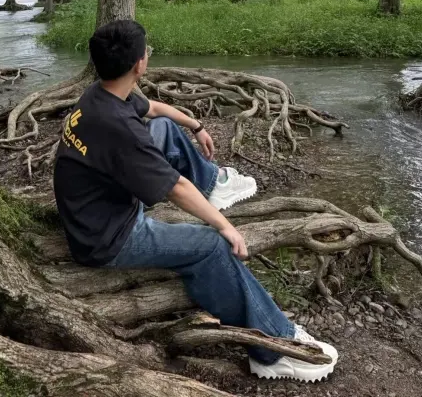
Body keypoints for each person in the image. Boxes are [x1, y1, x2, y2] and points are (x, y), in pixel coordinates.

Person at [53, 19, 338, 382]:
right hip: (108, 237)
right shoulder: (119, 129)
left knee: (163, 128)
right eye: (148, 51)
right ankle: (273, 350)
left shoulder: (101, 94)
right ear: (140, 64)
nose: (148, 57)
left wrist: (196, 125)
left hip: (96, 208)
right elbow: (175, 189)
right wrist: (225, 226)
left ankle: (212, 186)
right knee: (210, 246)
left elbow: (153, 111)